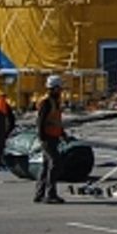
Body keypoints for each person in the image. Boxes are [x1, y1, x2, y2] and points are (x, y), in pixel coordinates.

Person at [34, 74, 66, 203]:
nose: (61, 91)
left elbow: (55, 120)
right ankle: (50, 194)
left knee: (46, 165)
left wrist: (63, 134)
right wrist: (42, 137)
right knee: (55, 162)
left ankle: (39, 193)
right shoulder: (46, 102)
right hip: (47, 137)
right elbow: (40, 121)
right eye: (59, 88)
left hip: (54, 136)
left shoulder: (55, 102)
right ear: (53, 88)